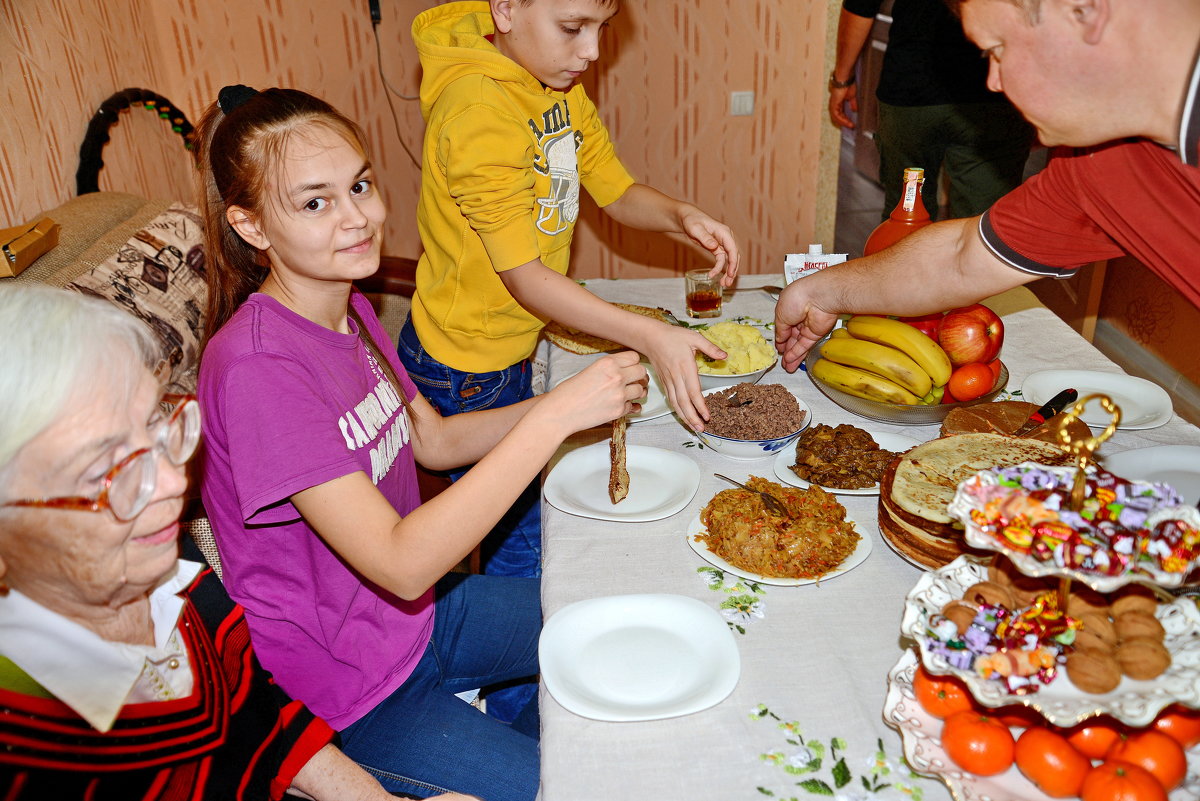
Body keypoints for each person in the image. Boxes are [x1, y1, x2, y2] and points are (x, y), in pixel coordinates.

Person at [194, 85, 646, 801]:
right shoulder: (256, 368)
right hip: (350, 693)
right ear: (250, 226)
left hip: (420, 619)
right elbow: (402, 561)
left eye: (361, 185)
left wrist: (569, 404)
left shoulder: (351, 307)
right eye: (315, 203)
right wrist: (551, 420)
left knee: (612, 619)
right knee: (576, 782)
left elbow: (432, 439)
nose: (359, 218)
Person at [0, 285, 473, 801]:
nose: (173, 485)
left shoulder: (168, 569)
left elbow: (263, 722)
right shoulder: (32, 753)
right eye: (102, 472)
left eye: (157, 430)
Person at [397, 0, 741, 585]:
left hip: (507, 347)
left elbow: (614, 188)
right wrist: (649, 334)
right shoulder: (478, 108)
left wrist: (680, 215)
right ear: (505, 10)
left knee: (532, 535)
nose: (593, 51)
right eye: (572, 28)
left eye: (601, 29)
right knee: (526, 555)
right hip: (462, 365)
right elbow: (524, 277)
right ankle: (514, 674)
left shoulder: (553, 85)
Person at [777, 0, 1200, 370]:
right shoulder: (1091, 165)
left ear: (1082, 10)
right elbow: (960, 257)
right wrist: (820, 291)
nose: (993, 82)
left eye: (997, 51)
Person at [830, 0, 1034, 222]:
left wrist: (842, 79)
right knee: (982, 222)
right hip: (993, 97)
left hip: (912, 93)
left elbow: (860, 7)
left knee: (905, 219)